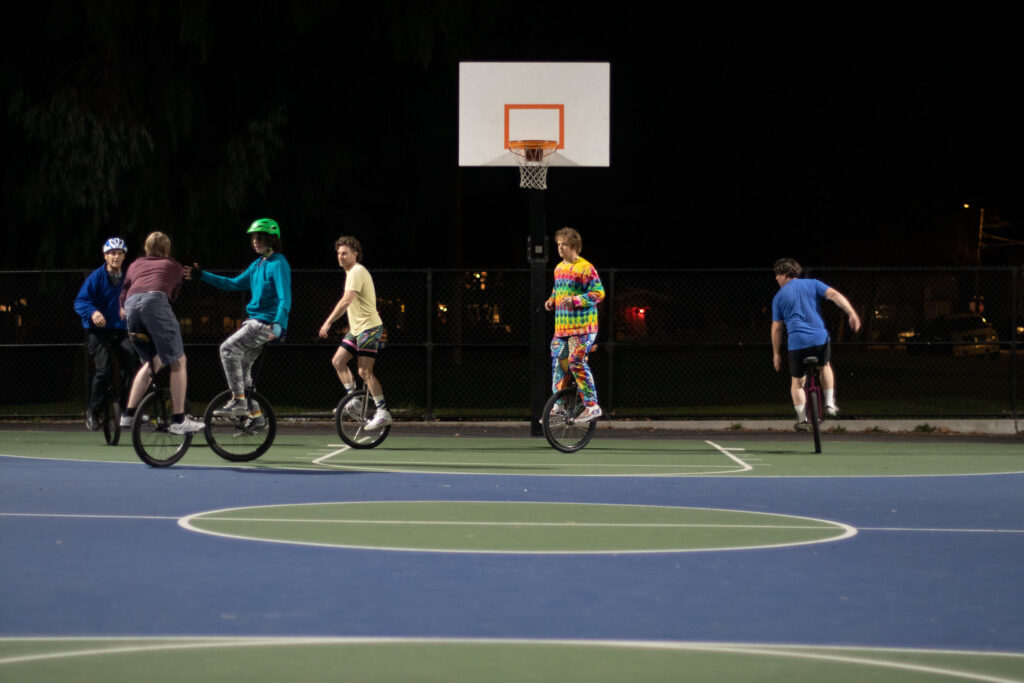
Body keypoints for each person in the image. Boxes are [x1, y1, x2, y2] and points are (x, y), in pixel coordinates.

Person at [185, 218, 291, 429]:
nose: (254, 241)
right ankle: (258, 418)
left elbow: (284, 297)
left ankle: (238, 401)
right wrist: (202, 275)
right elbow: (232, 284)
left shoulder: (279, 263)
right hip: (254, 323)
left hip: (264, 324)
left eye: (258, 238)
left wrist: (279, 324)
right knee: (243, 369)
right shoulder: (258, 264)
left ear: (271, 239)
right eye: (253, 238)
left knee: (227, 348)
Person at [118, 231, 204, 434]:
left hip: (131, 307)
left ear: (146, 249)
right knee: (179, 361)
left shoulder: (134, 264)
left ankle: (128, 415)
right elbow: (173, 294)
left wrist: (124, 307)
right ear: (167, 250)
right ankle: (179, 419)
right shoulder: (172, 264)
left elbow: (124, 291)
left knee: (152, 363)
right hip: (155, 302)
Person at [770, 258, 862, 431]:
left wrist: (776, 353)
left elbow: (777, 328)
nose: (776, 279)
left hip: (797, 344)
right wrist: (851, 313)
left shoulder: (779, 297)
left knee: (797, 382)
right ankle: (829, 403)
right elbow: (834, 295)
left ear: (784, 275)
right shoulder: (813, 284)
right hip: (819, 339)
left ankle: (802, 419)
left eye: (777, 275)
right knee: (824, 365)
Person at [318, 236, 391, 430]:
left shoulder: (357, 271)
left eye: (344, 253)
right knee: (338, 361)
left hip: (370, 327)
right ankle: (354, 401)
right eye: (338, 253)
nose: (340, 256)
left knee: (364, 371)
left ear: (355, 254)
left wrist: (328, 322)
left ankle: (383, 412)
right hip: (357, 329)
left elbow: (346, 301)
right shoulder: (351, 272)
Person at [73, 237, 140, 430]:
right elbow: (80, 302)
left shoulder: (129, 277)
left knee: (132, 366)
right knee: (103, 371)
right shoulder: (95, 277)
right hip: (98, 331)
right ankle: (93, 412)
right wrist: (93, 313)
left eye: (119, 253)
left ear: (124, 256)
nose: (116, 257)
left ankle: (128, 410)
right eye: (112, 253)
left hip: (120, 329)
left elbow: (137, 297)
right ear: (105, 256)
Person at [544, 227, 605, 422]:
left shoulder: (586, 268)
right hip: (562, 329)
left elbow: (598, 293)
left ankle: (591, 405)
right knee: (558, 362)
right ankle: (559, 404)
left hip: (583, 328)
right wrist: (551, 300)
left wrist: (577, 300)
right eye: (558, 245)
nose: (560, 248)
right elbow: (557, 290)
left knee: (575, 361)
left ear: (574, 246)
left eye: (564, 245)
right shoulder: (558, 268)